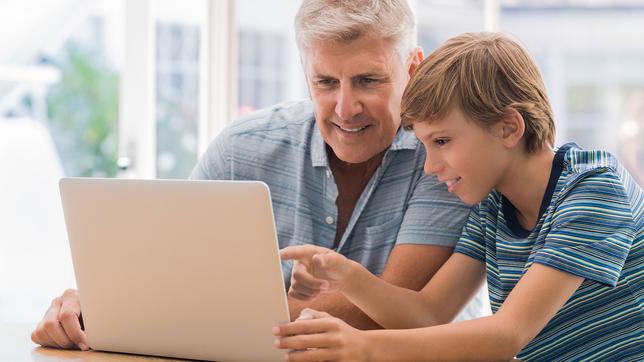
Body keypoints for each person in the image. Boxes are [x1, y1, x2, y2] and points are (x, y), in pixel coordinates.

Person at [31, 0, 489, 351]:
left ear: (412, 68)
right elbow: (159, 276)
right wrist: (96, 305)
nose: (345, 108)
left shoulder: (445, 157)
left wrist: (182, 312)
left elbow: (390, 310)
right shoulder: (242, 150)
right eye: (325, 82)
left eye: (368, 81)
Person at [275, 32, 643, 361]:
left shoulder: (594, 188)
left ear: (508, 127)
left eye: (442, 142)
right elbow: (430, 313)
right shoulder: (494, 206)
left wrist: (365, 347)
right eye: (425, 145)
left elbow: (507, 335)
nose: (429, 167)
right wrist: (347, 277)